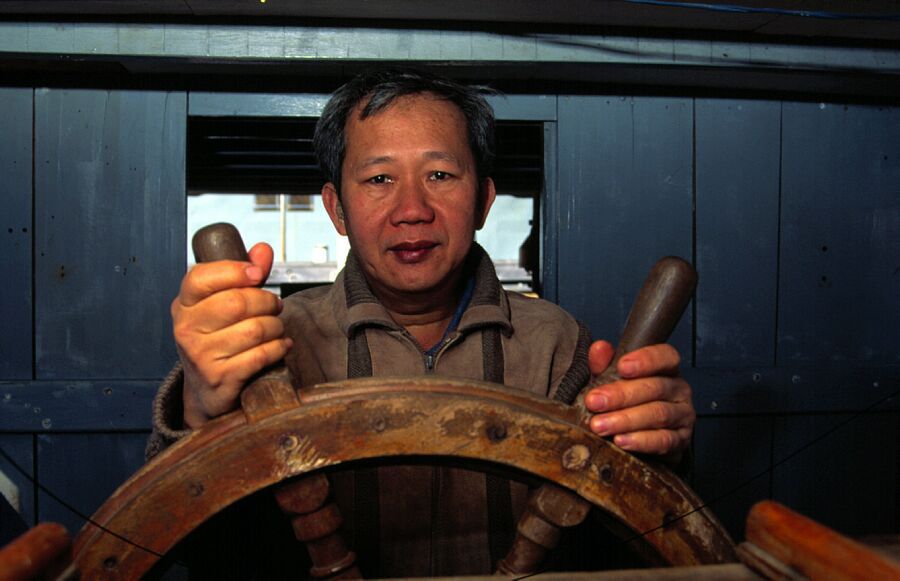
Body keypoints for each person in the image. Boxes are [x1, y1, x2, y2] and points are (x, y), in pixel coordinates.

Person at [148, 68, 695, 577]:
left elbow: (620, 542)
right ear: (337, 209)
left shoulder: (557, 343)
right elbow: (196, 547)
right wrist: (199, 412)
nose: (413, 208)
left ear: (482, 200)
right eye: (380, 178)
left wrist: (657, 457)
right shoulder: (266, 343)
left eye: (439, 174)